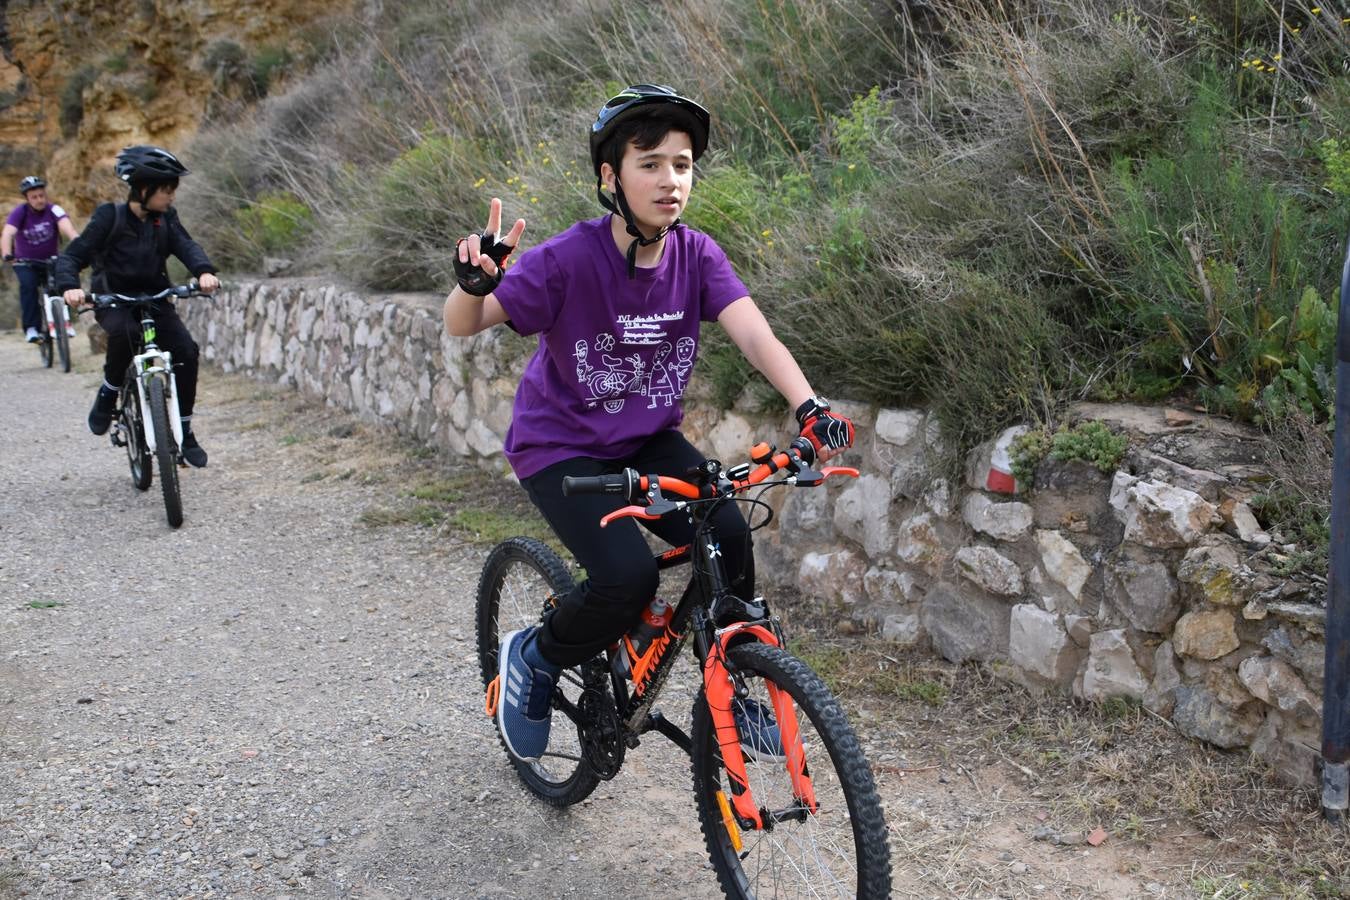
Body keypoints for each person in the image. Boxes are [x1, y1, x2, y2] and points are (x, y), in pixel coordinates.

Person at [443, 84, 856, 763]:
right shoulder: (568, 259)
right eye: (651, 163)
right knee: (627, 577)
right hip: (560, 446)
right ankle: (539, 656)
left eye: (683, 164)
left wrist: (809, 408)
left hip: (644, 438)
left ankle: (735, 688)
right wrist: (471, 285)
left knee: (726, 529)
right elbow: (464, 326)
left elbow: (755, 337)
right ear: (611, 176)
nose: (670, 180)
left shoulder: (696, 256)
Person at [54, 146, 220, 468]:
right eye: (166, 190)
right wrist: (70, 287)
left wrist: (204, 271)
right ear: (144, 189)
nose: (171, 197)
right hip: (114, 298)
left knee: (186, 350)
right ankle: (108, 391)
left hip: (156, 297)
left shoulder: (165, 219)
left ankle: (184, 430)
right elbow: (73, 256)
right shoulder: (109, 217)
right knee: (127, 334)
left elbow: (186, 245)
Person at [2, 176, 79, 342]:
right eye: (34, 197)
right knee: (28, 287)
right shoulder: (20, 213)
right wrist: (7, 253)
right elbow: (8, 233)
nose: (39, 200)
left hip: (51, 260)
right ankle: (31, 328)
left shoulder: (54, 210)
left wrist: (79, 243)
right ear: (27, 199)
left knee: (62, 284)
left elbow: (68, 228)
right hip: (26, 262)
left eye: (41, 195)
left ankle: (65, 322)